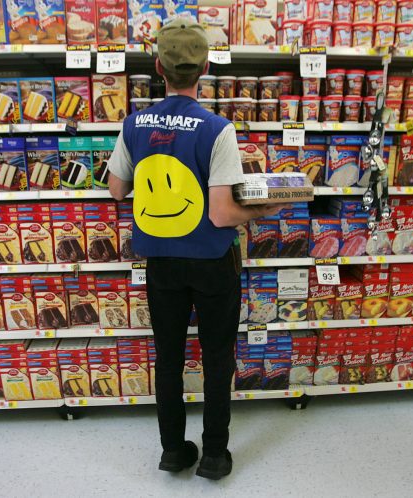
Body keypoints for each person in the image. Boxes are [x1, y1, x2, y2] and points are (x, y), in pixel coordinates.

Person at [107, 18, 286, 480]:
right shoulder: (216, 128)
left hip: (161, 259)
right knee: (216, 355)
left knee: (167, 356)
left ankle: (171, 451)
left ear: (157, 67)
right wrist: (261, 213)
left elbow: (116, 190)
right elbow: (223, 214)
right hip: (210, 260)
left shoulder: (134, 123)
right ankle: (214, 454)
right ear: (205, 66)